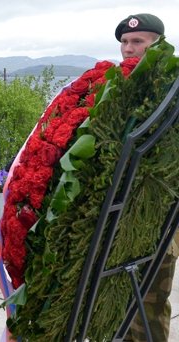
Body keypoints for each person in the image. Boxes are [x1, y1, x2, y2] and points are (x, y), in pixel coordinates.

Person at [115, 13, 178, 342]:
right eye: (124, 42)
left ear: (158, 45)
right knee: (116, 303)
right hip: (116, 220)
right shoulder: (119, 89)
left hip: (157, 218)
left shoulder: (172, 91)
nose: (128, 48)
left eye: (137, 41)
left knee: (149, 306)